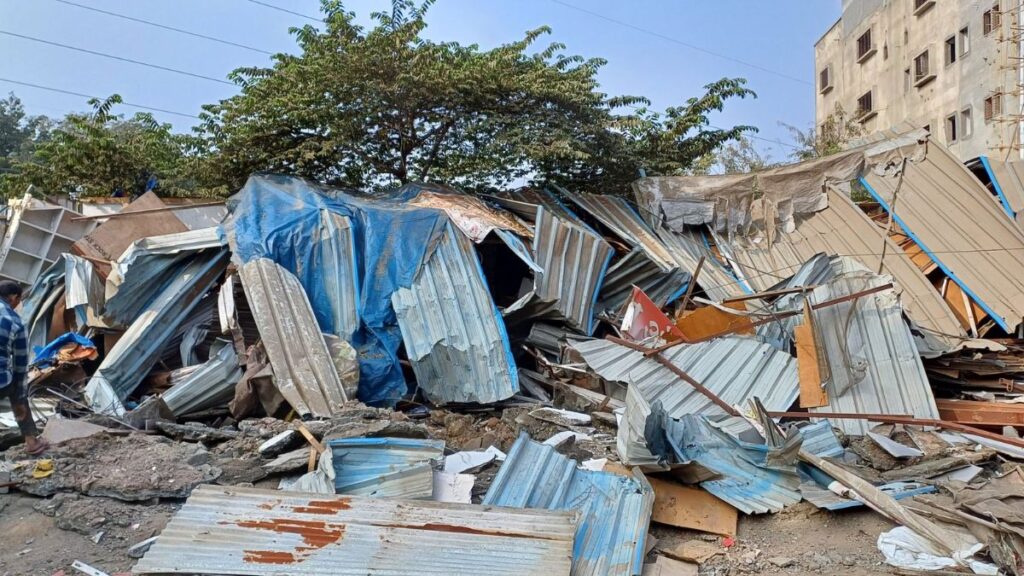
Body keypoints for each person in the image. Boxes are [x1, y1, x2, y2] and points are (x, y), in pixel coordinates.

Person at [0, 280, 47, 455]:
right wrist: (20, 393)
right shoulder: (15, 321)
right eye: (19, 300)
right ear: (13, 297)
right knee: (17, 390)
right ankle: (32, 442)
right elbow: (20, 364)